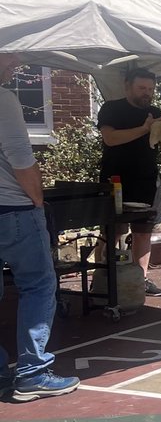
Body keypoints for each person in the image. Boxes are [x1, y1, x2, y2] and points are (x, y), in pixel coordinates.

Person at [0, 53, 81, 401]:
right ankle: (32, 372)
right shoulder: (4, 99)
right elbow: (21, 157)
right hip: (13, 209)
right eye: (11, 55)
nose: (17, 62)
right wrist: (37, 200)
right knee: (38, 286)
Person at [97, 67, 161, 297]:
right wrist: (143, 129)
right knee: (113, 230)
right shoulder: (111, 109)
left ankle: (141, 279)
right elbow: (110, 138)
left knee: (143, 232)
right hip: (116, 179)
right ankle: (102, 276)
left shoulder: (155, 111)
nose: (146, 93)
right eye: (141, 88)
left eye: (150, 89)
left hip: (147, 180)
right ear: (127, 86)